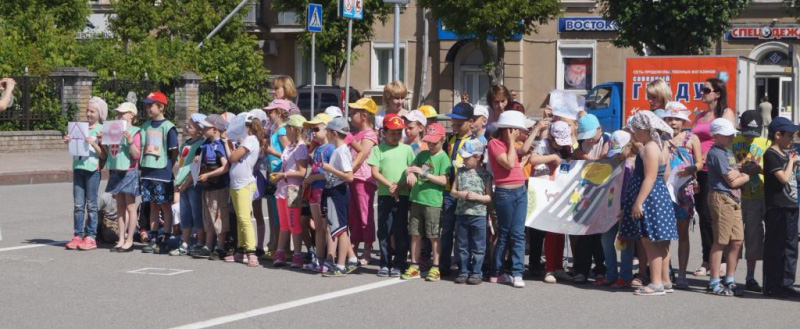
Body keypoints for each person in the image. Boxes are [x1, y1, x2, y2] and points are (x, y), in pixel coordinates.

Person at [620, 111, 677, 296]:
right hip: (657, 195)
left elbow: (650, 177)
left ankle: (656, 283)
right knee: (660, 241)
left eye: (635, 129)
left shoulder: (650, 148)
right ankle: (665, 281)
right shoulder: (659, 145)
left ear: (643, 129)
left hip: (650, 198)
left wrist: (638, 202)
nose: (633, 133)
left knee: (650, 241)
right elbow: (665, 173)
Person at [691, 78, 736, 276]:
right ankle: (707, 259)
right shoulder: (700, 116)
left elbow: (726, 140)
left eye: (706, 90)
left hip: (715, 170)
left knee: (716, 215)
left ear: (717, 93)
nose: (703, 93)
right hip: (698, 170)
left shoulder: (725, 113)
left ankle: (722, 259)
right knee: (703, 215)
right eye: (702, 89)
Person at [657, 102, 702, 290]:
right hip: (665, 190)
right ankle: (666, 273)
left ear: (684, 121)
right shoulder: (660, 138)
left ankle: (682, 274)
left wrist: (692, 169)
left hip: (684, 191)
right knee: (665, 234)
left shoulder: (692, 138)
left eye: (677, 119)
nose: (673, 122)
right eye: (669, 119)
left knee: (683, 233)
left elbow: (700, 162)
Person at [705, 118, 750, 296]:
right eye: (726, 134)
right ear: (715, 136)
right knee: (721, 241)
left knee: (737, 240)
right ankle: (714, 281)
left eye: (731, 134)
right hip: (722, 197)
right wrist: (746, 175)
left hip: (734, 199)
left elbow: (735, 174)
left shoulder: (727, 150)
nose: (731, 137)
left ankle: (729, 279)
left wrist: (739, 173)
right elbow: (732, 181)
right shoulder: (716, 153)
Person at [402, 123, 451, 282]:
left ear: (442, 140)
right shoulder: (422, 154)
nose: (430, 145)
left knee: (433, 235)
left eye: (434, 143)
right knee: (415, 234)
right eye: (428, 142)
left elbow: (444, 180)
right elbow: (410, 167)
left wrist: (424, 174)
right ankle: (414, 265)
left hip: (432, 202)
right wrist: (410, 173)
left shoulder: (444, 158)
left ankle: (435, 267)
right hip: (416, 199)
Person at [368, 114, 415, 277]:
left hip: (402, 195)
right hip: (385, 195)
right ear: (384, 132)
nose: (396, 136)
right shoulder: (378, 149)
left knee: (400, 230)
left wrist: (400, 186)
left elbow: (411, 171)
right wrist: (390, 185)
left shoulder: (407, 149)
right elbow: (375, 171)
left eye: (398, 132)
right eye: (392, 132)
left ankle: (399, 263)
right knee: (384, 230)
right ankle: (385, 262)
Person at [528, 120, 574, 284]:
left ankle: (559, 267)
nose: (560, 146)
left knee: (560, 232)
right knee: (549, 233)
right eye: (558, 142)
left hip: (561, 192)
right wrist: (552, 157)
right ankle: (549, 269)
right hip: (544, 193)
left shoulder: (566, 149)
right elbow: (532, 159)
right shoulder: (543, 145)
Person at [488, 111, 529, 288]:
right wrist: (511, 142)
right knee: (505, 233)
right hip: (504, 192)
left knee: (519, 233)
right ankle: (496, 272)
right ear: (508, 129)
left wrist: (534, 131)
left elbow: (525, 150)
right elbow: (509, 163)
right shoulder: (494, 144)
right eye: (516, 130)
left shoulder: (512, 144)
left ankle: (517, 272)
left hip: (520, 191)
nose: (519, 133)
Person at [440, 103, 480, 276]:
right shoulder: (450, 140)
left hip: (467, 193)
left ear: (471, 122)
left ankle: (468, 265)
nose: (455, 127)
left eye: (459, 124)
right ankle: (444, 264)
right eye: (453, 124)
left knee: (465, 231)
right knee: (447, 228)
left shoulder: (476, 142)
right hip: (450, 191)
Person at [762, 117, 800, 298]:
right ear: (778, 135)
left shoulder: (786, 154)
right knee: (776, 247)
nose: (792, 138)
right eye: (789, 135)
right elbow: (783, 179)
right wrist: (792, 162)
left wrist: (792, 162)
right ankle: (772, 284)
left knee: (790, 246)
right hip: (777, 207)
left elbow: (790, 177)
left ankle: (787, 283)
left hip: (791, 204)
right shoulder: (771, 154)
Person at [731, 110, 769, 292]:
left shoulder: (766, 143)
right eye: (746, 133)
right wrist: (739, 167)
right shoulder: (733, 142)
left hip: (757, 196)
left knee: (753, 238)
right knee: (734, 239)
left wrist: (758, 168)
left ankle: (750, 276)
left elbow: (771, 169)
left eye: (753, 134)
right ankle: (730, 276)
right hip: (736, 196)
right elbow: (727, 164)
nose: (749, 138)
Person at [63, 97, 107, 251]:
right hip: (79, 167)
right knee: (78, 204)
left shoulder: (101, 130)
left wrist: (94, 143)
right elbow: (75, 148)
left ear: (99, 113)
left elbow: (103, 155)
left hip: (92, 169)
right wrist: (69, 141)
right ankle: (78, 234)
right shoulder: (79, 128)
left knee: (91, 204)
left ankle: (91, 236)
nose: (88, 114)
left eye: (92, 111)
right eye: (87, 111)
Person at [572, 113, 610, 284]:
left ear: (599, 129)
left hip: (603, 193)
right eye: (584, 137)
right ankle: (581, 269)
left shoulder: (607, 138)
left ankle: (600, 268)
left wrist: (590, 159)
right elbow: (575, 151)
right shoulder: (582, 143)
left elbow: (605, 157)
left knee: (599, 234)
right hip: (585, 193)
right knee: (584, 233)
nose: (588, 141)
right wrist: (584, 155)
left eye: (590, 136)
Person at [138, 92, 178, 254]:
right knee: (152, 205)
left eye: (151, 105)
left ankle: (166, 237)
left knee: (165, 206)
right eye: (146, 105)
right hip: (147, 171)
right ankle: (153, 236)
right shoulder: (145, 126)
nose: (148, 108)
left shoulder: (169, 127)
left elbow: (174, 151)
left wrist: (168, 167)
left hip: (162, 172)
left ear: (161, 107)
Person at [224, 113, 265, 267]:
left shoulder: (251, 140)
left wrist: (227, 146)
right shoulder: (248, 141)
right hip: (236, 183)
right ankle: (241, 250)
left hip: (244, 184)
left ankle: (251, 252)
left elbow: (233, 158)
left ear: (247, 127)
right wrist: (234, 147)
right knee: (241, 217)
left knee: (244, 218)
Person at [451, 139, 492, 285]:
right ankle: (463, 271)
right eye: (464, 157)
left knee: (478, 246)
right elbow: (453, 191)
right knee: (462, 245)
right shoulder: (460, 172)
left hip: (478, 215)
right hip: (462, 213)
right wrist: (459, 194)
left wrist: (477, 197)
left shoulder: (485, 175)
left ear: (478, 157)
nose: (465, 160)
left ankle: (476, 272)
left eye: (468, 158)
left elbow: (488, 197)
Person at [271, 114, 309, 268]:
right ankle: (280, 252)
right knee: (284, 224)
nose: (285, 130)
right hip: (282, 189)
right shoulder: (289, 146)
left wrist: (284, 175)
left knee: (294, 224)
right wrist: (279, 175)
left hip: (293, 190)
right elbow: (286, 165)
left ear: (292, 129)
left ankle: (297, 254)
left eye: (286, 128)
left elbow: (301, 172)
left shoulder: (301, 148)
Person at [320, 117, 355, 277]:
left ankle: (341, 265)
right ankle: (343, 261)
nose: (326, 133)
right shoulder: (337, 150)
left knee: (341, 230)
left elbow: (349, 177)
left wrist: (329, 169)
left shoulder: (342, 151)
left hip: (339, 192)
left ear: (334, 133)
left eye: (327, 131)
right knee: (336, 228)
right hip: (333, 191)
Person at [104, 102, 141, 253]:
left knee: (130, 206)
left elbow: (137, 155)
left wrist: (130, 141)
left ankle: (130, 239)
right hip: (116, 170)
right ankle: (121, 238)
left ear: (132, 115)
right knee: (119, 206)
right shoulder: (114, 130)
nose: (119, 116)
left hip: (129, 171)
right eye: (118, 113)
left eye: (123, 113)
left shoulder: (136, 131)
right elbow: (111, 151)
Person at [347, 97, 380, 267]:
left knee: (365, 214)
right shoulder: (354, 134)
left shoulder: (369, 135)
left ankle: (367, 247)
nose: (351, 116)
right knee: (353, 215)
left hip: (363, 179)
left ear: (364, 116)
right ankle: (354, 244)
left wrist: (347, 171)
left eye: (354, 113)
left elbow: (362, 156)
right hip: (352, 178)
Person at [601, 130, 636, 288]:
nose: (617, 155)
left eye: (620, 151)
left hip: (626, 206)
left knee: (625, 242)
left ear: (629, 146)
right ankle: (611, 274)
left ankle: (625, 276)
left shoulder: (635, 162)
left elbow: (635, 187)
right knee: (606, 239)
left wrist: (628, 207)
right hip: (610, 205)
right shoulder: (612, 160)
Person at [170, 113, 206, 256]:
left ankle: (199, 242)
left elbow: (195, 167)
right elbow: (182, 165)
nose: (187, 127)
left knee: (197, 214)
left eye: (191, 126)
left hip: (193, 185)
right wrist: (178, 182)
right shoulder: (185, 144)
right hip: (182, 183)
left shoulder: (201, 145)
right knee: (185, 214)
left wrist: (186, 183)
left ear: (199, 131)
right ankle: (185, 242)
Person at [302, 113, 334, 272]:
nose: (313, 132)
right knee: (319, 227)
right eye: (311, 129)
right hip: (314, 191)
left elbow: (331, 173)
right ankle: (319, 259)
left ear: (327, 130)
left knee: (327, 226)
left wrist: (312, 178)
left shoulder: (331, 149)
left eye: (316, 128)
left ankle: (329, 258)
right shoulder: (317, 148)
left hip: (324, 190)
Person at [195, 114, 230, 260]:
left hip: (218, 186)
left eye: (206, 127)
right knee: (208, 215)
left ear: (215, 129)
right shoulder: (205, 144)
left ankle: (220, 246)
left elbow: (225, 167)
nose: (202, 129)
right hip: (206, 187)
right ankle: (208, 245)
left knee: (218, 215)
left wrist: (209, 175)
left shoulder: (219, 146)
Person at [263, 99, 292, 262]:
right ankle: (275, 245)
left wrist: (272, 152)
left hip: (280, 174)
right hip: (273, 173)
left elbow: (289, 154)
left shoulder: (282, 131)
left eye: (271, 112)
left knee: (281, 214)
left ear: (280, 113)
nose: (268, 115)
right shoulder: (275, 130)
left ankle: (285, 248)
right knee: (275, 213)